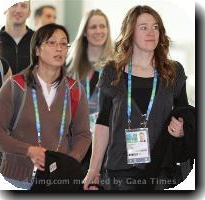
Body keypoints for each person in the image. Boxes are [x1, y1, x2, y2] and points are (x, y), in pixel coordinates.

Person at [83, 5, 193, 191]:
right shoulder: (113, 71)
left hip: (162, 170)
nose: (151, 32)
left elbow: (185, 114)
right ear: (130, 32)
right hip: (119, 169)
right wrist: (94, 168)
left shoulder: (173, 71)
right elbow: (103, 123)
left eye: (156, 27)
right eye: (144, 27)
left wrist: (183, 129)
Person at [0, 23, 91, 190]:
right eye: (52, 42)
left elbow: (83, 135)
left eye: (63, 44)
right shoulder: (15, 86)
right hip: (16, 180)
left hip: (58, 180)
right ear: (37, 50)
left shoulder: (75, 89)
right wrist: (28, 150)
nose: (59, 48)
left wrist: (70, 162)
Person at [67, 9, 113, 176]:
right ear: (85, 32)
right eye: (93, 27)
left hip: (107, 141)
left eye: (103, 26)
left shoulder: (117, 66)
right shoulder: (69, 66)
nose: (99, 31)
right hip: (75, 139)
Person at [0, 0, 34, 74]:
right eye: (14, 5)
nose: (18, 10)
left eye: (23, 6)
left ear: (29, 12)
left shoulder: (39, 40)